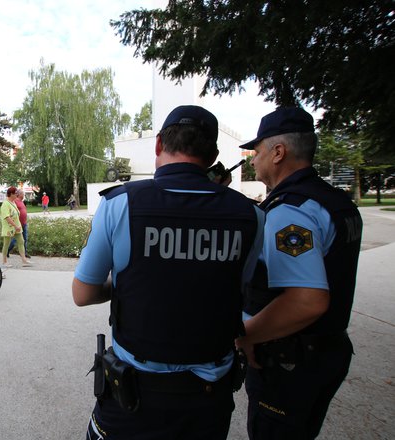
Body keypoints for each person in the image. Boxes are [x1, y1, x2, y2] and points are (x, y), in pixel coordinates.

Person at [72, 105, 264, 439]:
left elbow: (83, 293)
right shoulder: (251, 215)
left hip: (135, 398)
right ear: (214, 154)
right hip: (208, 399)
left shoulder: (120, 203)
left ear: (159, 144)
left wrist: (124, 285)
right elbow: (240, 287)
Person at [235, 107, 362, 440]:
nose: (252, 160)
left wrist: (246, 335)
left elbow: (307, 301)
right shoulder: (337, 202)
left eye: (257, 152)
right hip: (324, 351)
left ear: (279, 152)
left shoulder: (290, 212)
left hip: (288, 360)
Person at [0, 187, 31, 268]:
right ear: (11, 194)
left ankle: (24, 260)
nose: (17, 194)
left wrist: (17, 226)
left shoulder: (13, 202)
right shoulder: (5, 204)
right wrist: (15, 226)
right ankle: (4, 261)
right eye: (15, 193)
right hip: (9, 228)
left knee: (21, 241)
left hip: (17, 226)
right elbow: (7, 217)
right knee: (6, 244)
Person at [7, 189, 30, 258]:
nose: (24, 195)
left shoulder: (21, 202)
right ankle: (7, 251)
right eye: (23, 194)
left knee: (25, 239)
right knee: (14, 240)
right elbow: (11, 211)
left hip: (24, 223)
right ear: (19, 194)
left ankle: (24, 253)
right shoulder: (15, 201)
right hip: (17, 224)